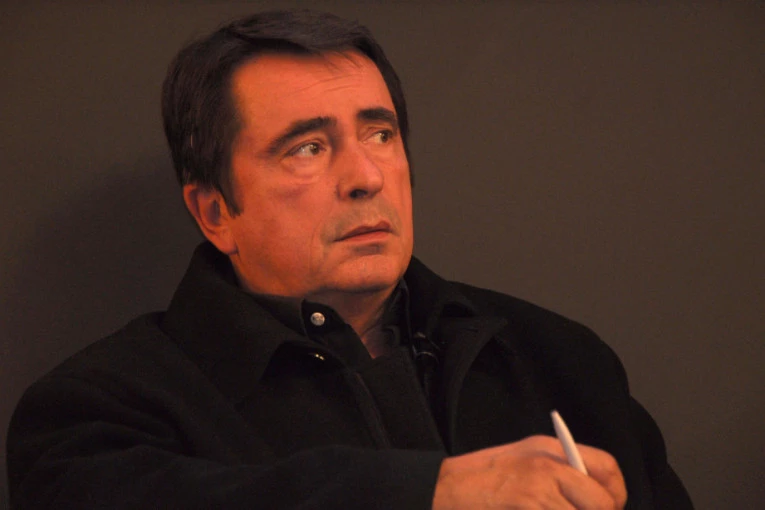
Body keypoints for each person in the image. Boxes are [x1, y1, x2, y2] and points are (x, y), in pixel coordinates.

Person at [6, 9, 693, 510]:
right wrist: (432, 493)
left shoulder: (561, 360)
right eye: (307, 148)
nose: (366, 176)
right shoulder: (94, 413)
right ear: (215, 212)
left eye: (380, 134)